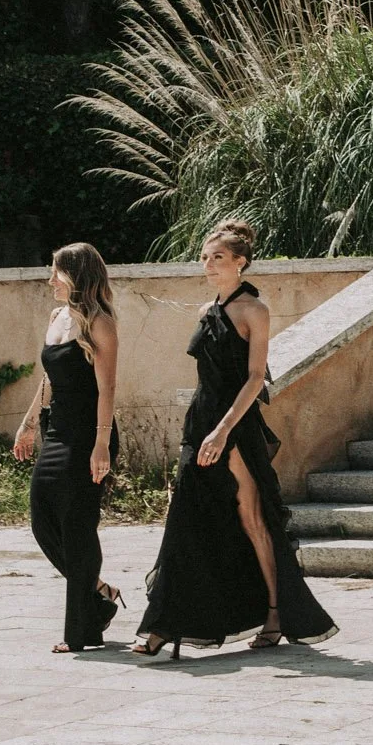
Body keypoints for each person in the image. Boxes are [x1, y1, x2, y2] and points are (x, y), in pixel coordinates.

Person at [132, 219, 336, 659]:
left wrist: (223, 431)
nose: (208, 264)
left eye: (218, 257)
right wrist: (204, 427)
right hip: (200, 420)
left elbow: (256, 379)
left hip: (235, 427)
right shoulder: (206, 311)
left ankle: (277, 611)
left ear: (240, 262)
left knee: (251, 517)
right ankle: (164, 623)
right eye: (205, 257)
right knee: (185, 515)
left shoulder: (253, 311)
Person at [13, 242, 121, 654]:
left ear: (76, 275)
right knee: (43, 521)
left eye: (56, 272)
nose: (50, 280)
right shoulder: (57, 318)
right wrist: (27, 425)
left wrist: (101, 444)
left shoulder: (100, 322)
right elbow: (50, 379)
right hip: (56, 432)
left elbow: (107, 387)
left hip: (88, 435)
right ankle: (99, 592)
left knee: (78, 530)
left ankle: (82, 632)